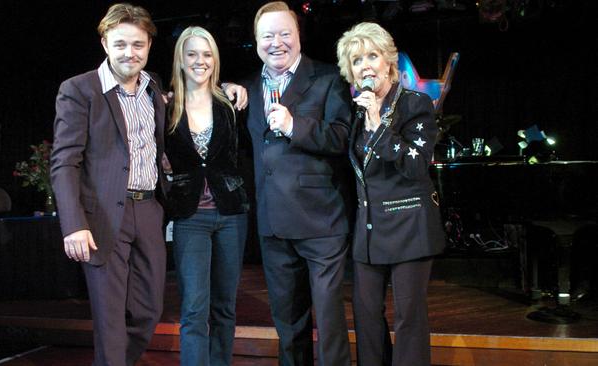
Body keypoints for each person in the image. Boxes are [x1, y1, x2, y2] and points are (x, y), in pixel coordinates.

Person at [50, 3, 169, 365]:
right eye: (120, 44)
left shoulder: (153, 87)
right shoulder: (79, 90)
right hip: (101, 216)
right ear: (105, 43)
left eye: (137, 44)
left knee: (148, 311)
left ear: (148, 44)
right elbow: (64, 162)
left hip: (149, 209)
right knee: (111, 319)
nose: (129, 53)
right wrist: (74, 224)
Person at [243, 2, 353, 365]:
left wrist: (295, 126)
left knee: (330, 319)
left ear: (298, 35)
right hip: (273, 225)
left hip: (322, 222)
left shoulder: (327, 78)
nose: (277, 42)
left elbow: (341, 136)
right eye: (268, 35)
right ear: (256, 41)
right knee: (288, 323)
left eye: (285, 33)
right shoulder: (247, 88)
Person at [336, 22, 446, 366]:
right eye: (356, 60)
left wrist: (378, 124)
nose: (365, 65)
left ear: (388, 62)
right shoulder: (354, 113)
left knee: (408, 318)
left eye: (372, 55)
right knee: (366, 315)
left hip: (410, 224)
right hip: (370, 229)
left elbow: (416, 166)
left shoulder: (415, 104)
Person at [164, 26, 249, 366]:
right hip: (189, 216)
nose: (200, 61)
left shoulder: (230, 102)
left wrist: (233, 87)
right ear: (181, 60)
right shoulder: (166, 104)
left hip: (231, 214)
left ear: (215, 59)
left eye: (207, 54)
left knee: (225, 307)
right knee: (195, 308)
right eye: (192, 54)